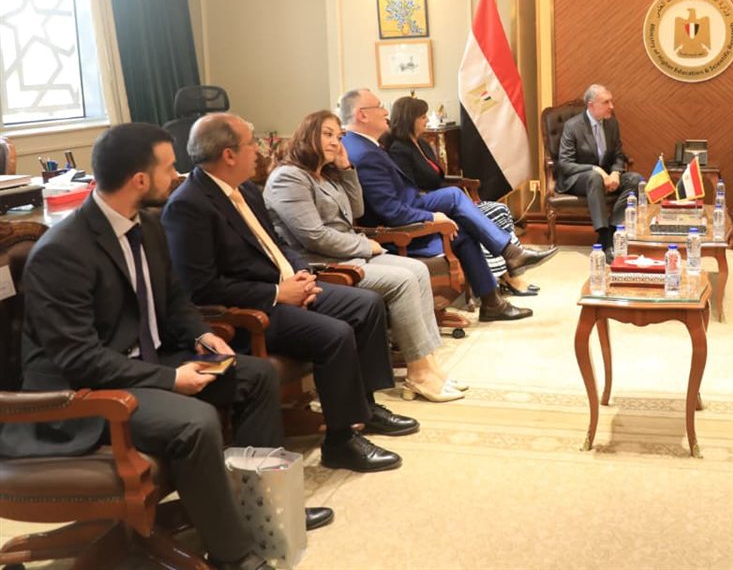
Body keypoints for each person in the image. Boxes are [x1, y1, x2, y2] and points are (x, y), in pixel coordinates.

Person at [0, 123, 322, 570]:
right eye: (169, 168)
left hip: (142, 361)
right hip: (84, 393)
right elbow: (79, 359)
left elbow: (174, 299)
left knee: (257, 374)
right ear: (139, 179)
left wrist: (201, 334)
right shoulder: (63, 252)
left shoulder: (147, 225)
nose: (177, 176)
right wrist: (171, 379)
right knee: (194, 422)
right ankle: (233, 556)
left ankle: (258, 512)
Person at [162, 113, 413, 474]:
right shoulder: (189, 205)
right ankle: (340, 442)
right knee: (335, 334)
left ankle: (366, 408)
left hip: (287, 286)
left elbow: (277, 244)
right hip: (250, 309)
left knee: (367, 304)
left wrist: (300, 274)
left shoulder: (247, 189)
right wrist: (277, 293)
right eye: (251, 143)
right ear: (229, 154)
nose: (260, 150)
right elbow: (201, 288)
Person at [264, 110, 465, 403]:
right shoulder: (288, 178)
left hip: (349, 252)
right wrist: (365, 247)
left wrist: (347, 169)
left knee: (418, 270)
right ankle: (419, 371)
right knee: (403, 281)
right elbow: (314, 236)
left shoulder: (325, 174)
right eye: (327, 134)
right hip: (321, 262)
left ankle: (429, 364)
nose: (335, 142)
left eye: (338, 136)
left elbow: (356, 210)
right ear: (307, 135)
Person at [339, 88, 549, 322]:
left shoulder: (364, 146)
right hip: (399, 233)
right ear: (362, 115)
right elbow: (391, 211)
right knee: (455, 199)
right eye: (379, 106)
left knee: (462, 226)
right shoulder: (364, 153)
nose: (385, 112)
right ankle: (508, 260)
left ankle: (493, 300)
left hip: (410, 207)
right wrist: (432, 218)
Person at [384, 96, 556, 297]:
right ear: (409, 119)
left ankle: (511, 271)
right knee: (476, 211)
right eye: (422, 117)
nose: (427, 120)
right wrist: (443, 203)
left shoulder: (422, 144)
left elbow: (438, 177)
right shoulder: (399, 149)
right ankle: (508, 265)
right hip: (429, 206)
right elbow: (409, 189)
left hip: (443, 199)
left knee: (499, 210)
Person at [555, 83, 643, 261]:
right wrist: (595, 169)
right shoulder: (573, 126)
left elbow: (619, 155)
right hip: (578, 179)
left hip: (606, 177)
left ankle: (613, 230)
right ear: (591, 105)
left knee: (636, 180)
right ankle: (604, 238)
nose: (612, 106)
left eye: (611, 101)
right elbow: (565, 164)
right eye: (606, 102)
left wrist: (616, 173)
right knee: (594, 177)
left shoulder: (611, 124)